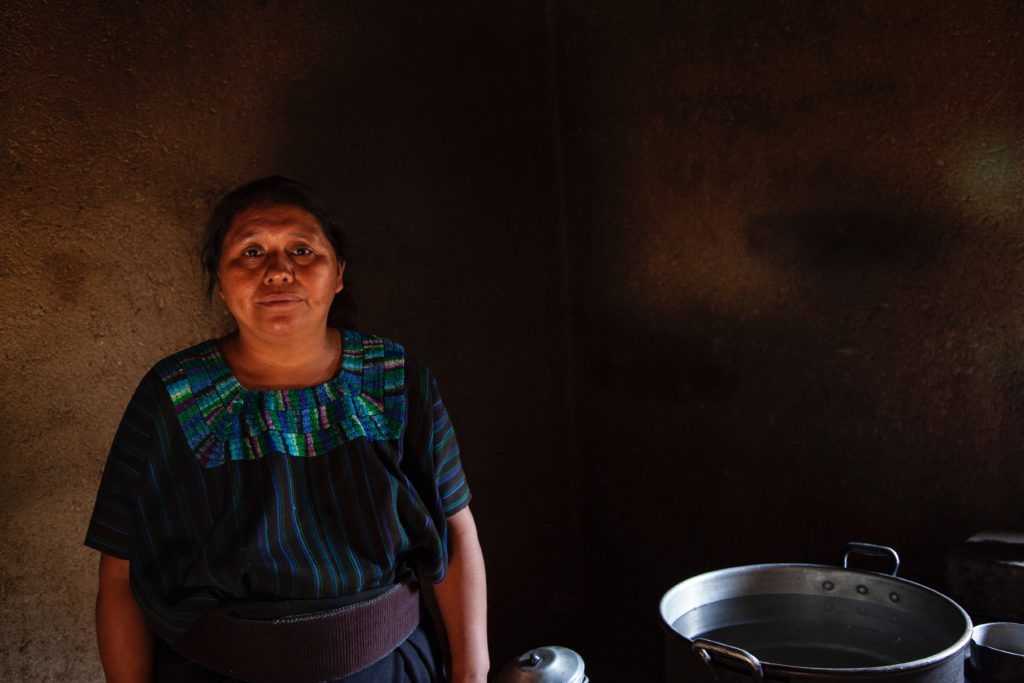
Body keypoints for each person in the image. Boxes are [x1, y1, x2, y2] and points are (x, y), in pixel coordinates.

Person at [85, 176, 488, 683]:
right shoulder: (173, 394)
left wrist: (472, 673)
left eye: (302, 250)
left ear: (338, 273)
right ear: (221, 275)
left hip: (386, 668)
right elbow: (120, 574)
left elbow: (456, 529)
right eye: (251, 252)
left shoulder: (395, 378)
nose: (278, 271)